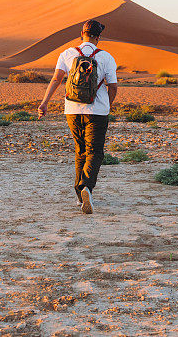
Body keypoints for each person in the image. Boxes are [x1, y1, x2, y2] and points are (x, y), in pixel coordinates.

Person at [37, 19, 118, 214]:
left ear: (81, 34)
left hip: (72, 110)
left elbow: (57, 78)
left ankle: (78, 193)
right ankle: (87, 188)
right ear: (98, 37)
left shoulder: (67, 53)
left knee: (80, 150)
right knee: (95, 151)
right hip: (97, 111)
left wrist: (45, 102)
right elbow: (112, 87)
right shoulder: (106, 57)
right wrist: (106, 106)